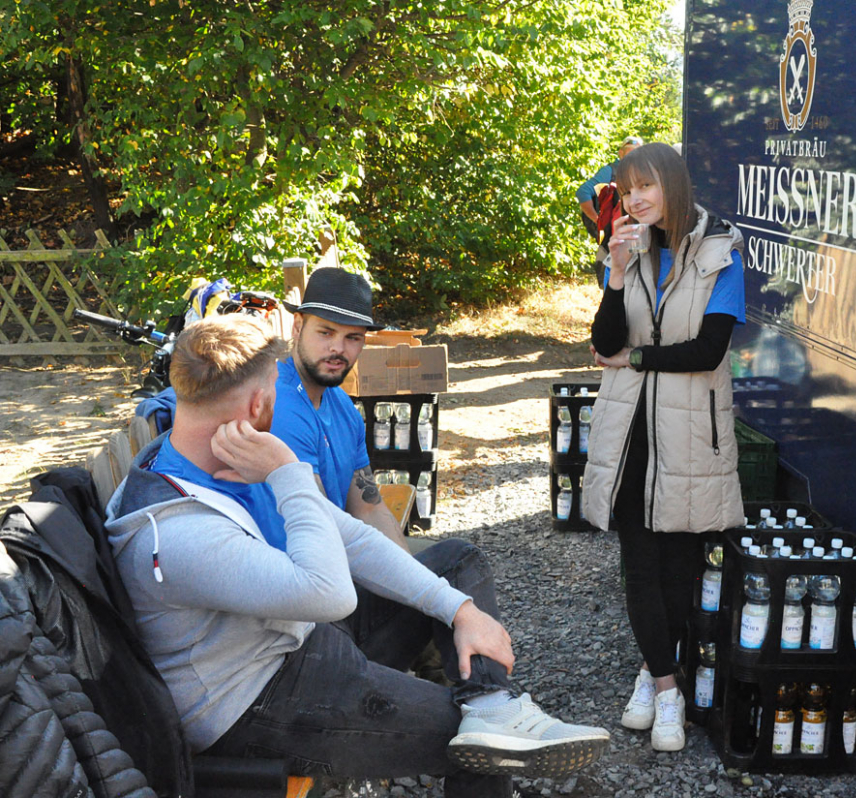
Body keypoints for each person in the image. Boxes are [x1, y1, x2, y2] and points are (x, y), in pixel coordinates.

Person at [105, 315, 609, 796]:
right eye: (276, 389)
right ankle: (492, 722)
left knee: (455, 563)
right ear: (258, 404)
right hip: (249, 705)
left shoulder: (213, 456)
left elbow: (349, 535)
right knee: (478, 745)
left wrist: (460, 609)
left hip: (290, 641)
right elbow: (331, 595)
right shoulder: (177, 533)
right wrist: (288, 473)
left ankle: (492, 701)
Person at [581, 142, 746, 752]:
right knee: (639, 567)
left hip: (690, 435)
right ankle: (665, 687)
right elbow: (604, 342)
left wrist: (637, 359)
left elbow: (708, 351)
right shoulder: (628, 247)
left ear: (673, 183)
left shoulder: (721, 251)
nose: (634, 200)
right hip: (629, 433)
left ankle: (655, 671)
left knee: (678, 569)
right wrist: (617, 272)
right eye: (626, 191)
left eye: (645, 186)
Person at [270, 267, 415, 551]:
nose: (338, 349)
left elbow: (369, 507)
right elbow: (318, 523)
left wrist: (413, 572)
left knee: (454, 557)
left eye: (353, 337)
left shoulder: (343, 406)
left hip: (340, 550)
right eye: (326, 332)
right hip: (301, 564)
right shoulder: (280, 403)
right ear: (297, 327)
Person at [576, 135, 643, 241]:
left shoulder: (642, 174)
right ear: (621, 153)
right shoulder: (610, 171)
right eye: (630, 152)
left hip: (634, 235)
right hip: (613, 237)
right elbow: (583, 192)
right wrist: (599, 222)